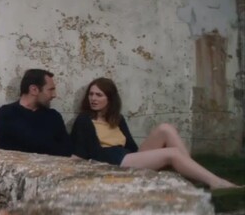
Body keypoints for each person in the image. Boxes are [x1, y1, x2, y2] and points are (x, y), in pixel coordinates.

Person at [71, 77, 238, 189]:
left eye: (99, 95)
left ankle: (192, 174)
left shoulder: (117, 119)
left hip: (127, 156)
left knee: (166, 128)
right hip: (111, 161)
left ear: (110, 99)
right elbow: (87, 153)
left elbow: (132, 147)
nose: (93, 98)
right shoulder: (84, 119)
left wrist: (144, 158)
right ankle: (215, 182)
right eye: (91, 94)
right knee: (172, 153)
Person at [0, 69, 73, 157]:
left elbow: (66, 150)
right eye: (50, 90)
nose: (54, 95)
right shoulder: (7, 113)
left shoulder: (54, 116)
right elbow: (10, 151)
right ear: (34, 89)